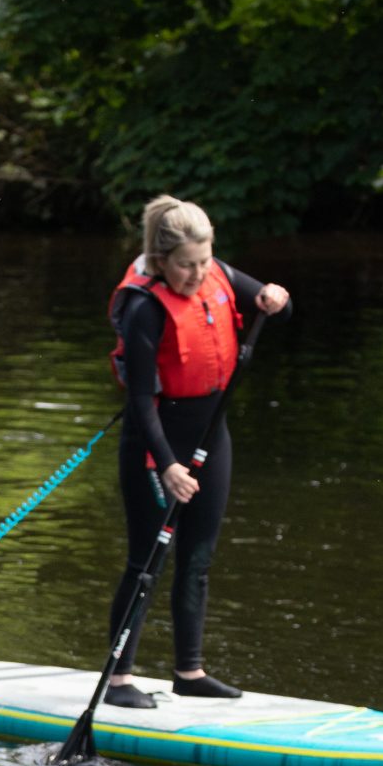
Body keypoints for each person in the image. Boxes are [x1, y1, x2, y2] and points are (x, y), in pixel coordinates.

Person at [101, 194, 291, 709]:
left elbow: (276, 302)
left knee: (198, 560)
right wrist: (168, 466)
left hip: (211, 435)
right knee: (145, 562)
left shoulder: (218, 275)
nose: (197, 273)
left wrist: (274, 295)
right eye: (186, 265)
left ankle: (189, 670)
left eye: (205, 261)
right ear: (161, 260)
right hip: (155, 445)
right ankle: (118, 681)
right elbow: (141, 402)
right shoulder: (144, 308)